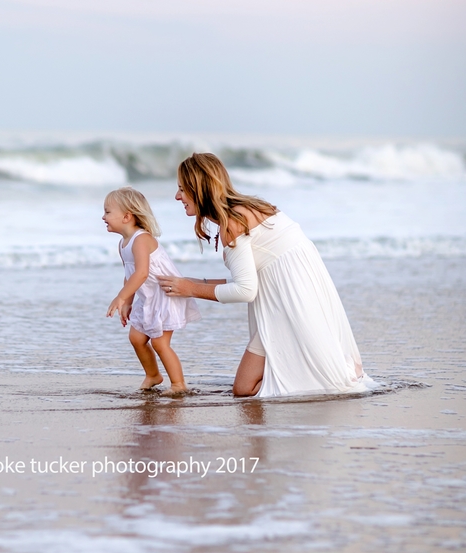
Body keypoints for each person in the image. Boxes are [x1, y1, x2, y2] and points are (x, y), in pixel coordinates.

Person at [157, 153, 374, 399]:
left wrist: (191, 289)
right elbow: (260, 275)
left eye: (182, 189)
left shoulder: (233, 222)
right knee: (254, 384)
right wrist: (192, 283)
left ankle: (306, 387)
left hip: (289, 305)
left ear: (200, 189)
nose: (177, 197)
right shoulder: (251, 207)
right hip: (299, 295)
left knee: (244, 390)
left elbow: (246, 290)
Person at [104, 186, 200, 395]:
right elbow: (129, 275)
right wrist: (128, 301)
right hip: (147, 299)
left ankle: (178, 384)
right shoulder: (123, 244)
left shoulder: (142, 239)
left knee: (159, 343)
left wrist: (120, 297)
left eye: (108, 212)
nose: (104, 217)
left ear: (127, 216)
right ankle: (153, 375)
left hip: (165, 295)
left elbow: (142, 273)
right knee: (136, 338)